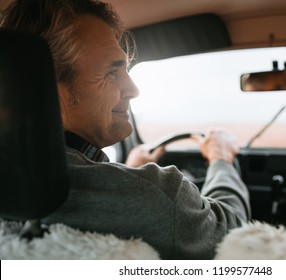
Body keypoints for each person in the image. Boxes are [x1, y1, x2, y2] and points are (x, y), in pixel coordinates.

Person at [0, 0, 250, 259]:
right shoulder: (160, 195)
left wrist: (129, 171)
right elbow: (234, 235)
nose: (133, 89)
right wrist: (221, 160)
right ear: (46, 86)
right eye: (112, 72)